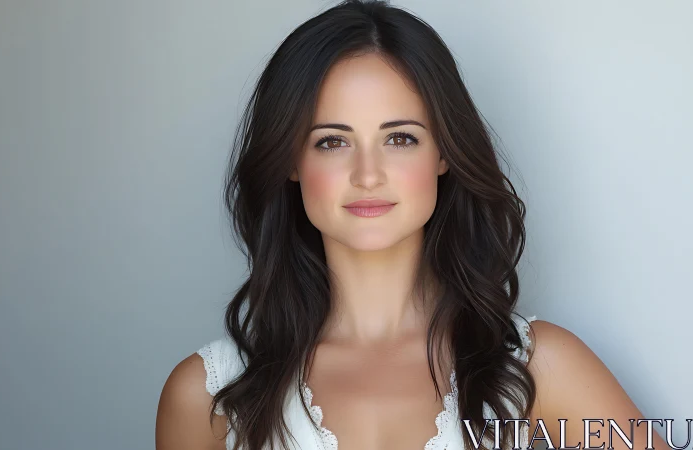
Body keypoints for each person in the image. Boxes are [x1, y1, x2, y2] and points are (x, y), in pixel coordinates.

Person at [156, 1, 666, 449]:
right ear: (292, 161)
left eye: (400, 138)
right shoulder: (209, 396)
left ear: (444, 152)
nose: (368, 174)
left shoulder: (538, 369)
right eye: (332, 141)